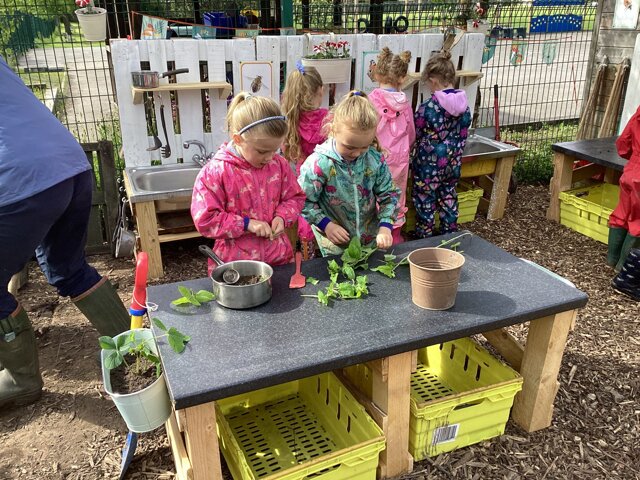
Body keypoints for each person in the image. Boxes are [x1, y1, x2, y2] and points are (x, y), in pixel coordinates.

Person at [0, 55, 130, 409]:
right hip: (68, 162)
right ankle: (134, 348)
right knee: (69, 269)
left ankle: (20, 381)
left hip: (16, 178)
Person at [191, 93, 305, 271]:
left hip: (279, 259)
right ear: (238, 139)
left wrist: (282, 217)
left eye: (274, 150)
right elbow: (205, 219)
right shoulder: (216, 172)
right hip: (235, 268)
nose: (268, 158)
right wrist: (246, 224)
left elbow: (295, 197)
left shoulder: (279, 164)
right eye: (261, 151)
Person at [297, 90, 401, 256]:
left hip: (370, 242)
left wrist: (385, 227)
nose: (357, 153)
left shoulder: (374, 159)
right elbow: (303, 200)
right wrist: (326, 224)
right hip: (334, 246)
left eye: (364, 147)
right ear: (333, 129)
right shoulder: (319, 164)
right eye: (350, 147)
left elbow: (390, 194)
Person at [412, 50, 472, 238]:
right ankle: (449, 231)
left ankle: (425, 233)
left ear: (433, 80)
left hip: (429, 165)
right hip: (453, 162)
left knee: (425, 196)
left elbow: (417, 131)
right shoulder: (465, 106)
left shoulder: (429, 107)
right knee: (448, 193)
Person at [368, 47, 416, 244]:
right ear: (402, 78)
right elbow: (411, 133)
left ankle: (372, 235)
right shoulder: (405, 104)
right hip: (400, 160)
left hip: (376, 157)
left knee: (373, 194)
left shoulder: (371, 101)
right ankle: (394, 236)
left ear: (377, 73)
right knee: (396, 196)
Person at [281, 61, 328, 259]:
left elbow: (286, 152)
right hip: (327, 174)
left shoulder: (290, 120)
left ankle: (307, 256)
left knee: (306, 210)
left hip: (302, 177)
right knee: (325, 212)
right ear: (321, 90)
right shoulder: (328, 119)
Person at [607, 105, 640, 272]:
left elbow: (623, 143)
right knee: (638, 221)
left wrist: (634, 158)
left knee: (622, 214)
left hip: (631, 171)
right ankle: (623, 268)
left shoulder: (639, 113)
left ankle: (611, 261)